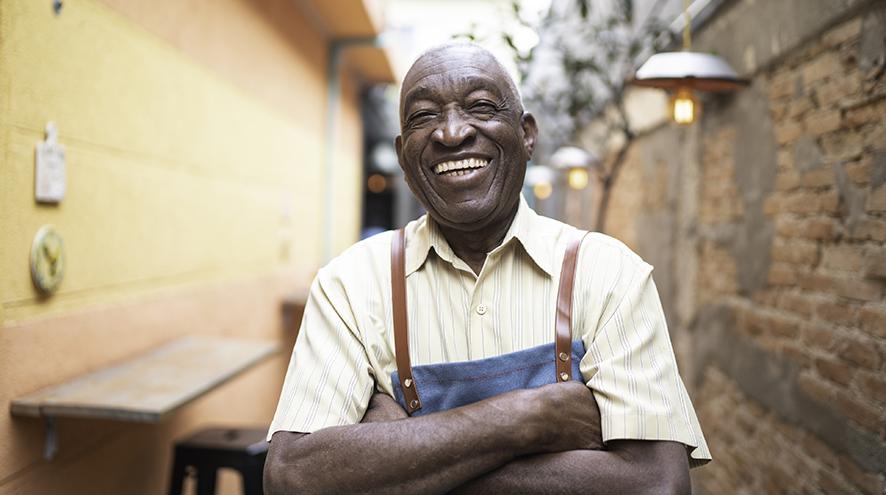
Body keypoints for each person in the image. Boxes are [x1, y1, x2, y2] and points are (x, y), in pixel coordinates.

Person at [264, 42, 710, 494]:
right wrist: (529, 419)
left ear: (527, 134)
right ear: (403, 155)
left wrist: (399, 455)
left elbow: (657, 484)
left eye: (480, 106)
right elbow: (292, 477)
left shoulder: (609, 275)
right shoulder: (350, 285)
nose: (452, 133)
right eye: (424, 116)